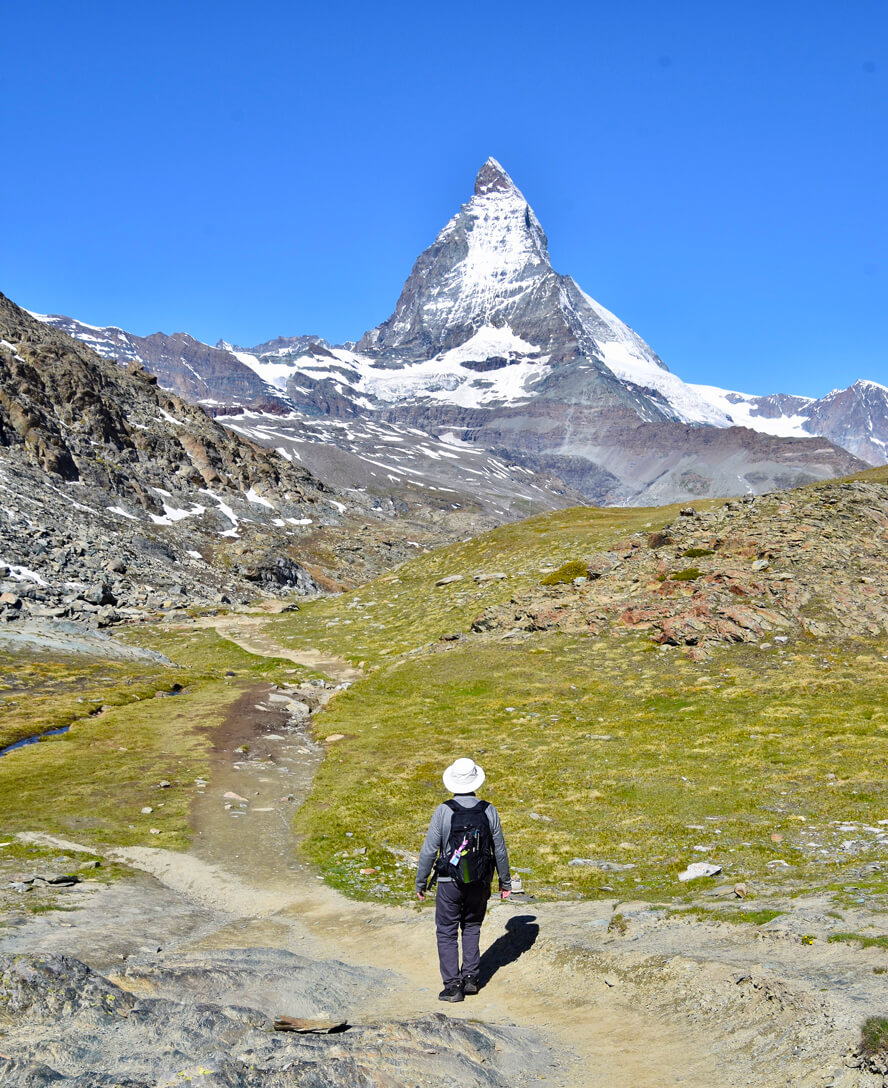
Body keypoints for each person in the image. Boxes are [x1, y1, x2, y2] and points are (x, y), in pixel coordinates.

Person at [415, 757, 512, 1002]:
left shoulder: (444, 810)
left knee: (447, 931)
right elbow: (499, 850)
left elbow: (429, 850)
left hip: (449, 882)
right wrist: (505, 882)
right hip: (480, 880)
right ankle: (470, 978)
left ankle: (452, 986)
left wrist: (421, 882)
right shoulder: (488, 810)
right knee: (472, 926)